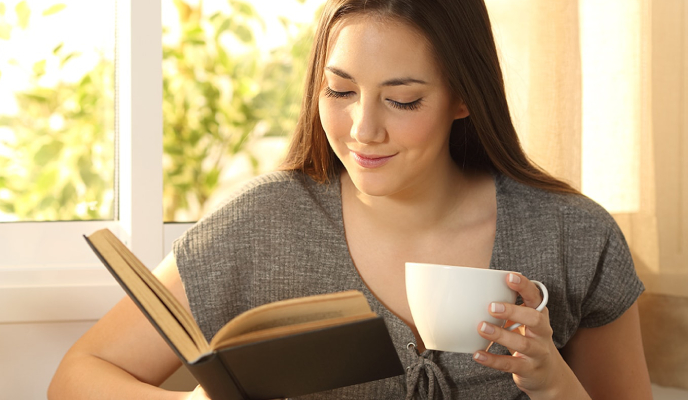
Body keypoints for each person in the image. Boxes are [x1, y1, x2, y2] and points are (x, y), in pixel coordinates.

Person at [48, 0, 653, 398]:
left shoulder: (572, 235)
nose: (363, 129)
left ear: (464, 98)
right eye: (339, 91)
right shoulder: (264, 223)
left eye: (403, 99)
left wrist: (555, 385)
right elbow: (77, 377)